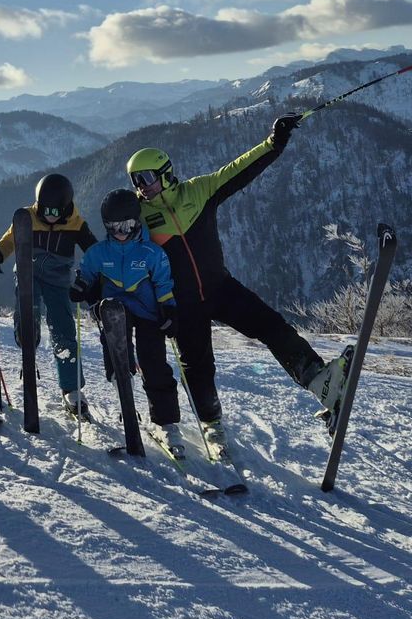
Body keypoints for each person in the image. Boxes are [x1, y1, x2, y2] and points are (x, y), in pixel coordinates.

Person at [126, 113, 348, 457]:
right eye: (135, 180)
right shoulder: (138, 217)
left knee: (271, 325)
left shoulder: (199, 190)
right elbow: (121, 252)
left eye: (146, 177)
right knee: (198, 367)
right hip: (183, 304)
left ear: (165, 172)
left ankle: (318, 380)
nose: (141, 186)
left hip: (221, 288)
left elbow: (239, 170)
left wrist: (275, 142)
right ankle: (213, 428)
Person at [71, 189, 181, 451]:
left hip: (148, 313)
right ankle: (124, 389)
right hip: (115, 311)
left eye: (127, 225)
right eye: (113, 226)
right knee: (114, 338)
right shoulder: (99, 253)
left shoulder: (151, 253)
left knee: (153, 362)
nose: (121, 231)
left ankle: (165, 423)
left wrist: (169, 310)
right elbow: (86, 273)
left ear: (136, 221)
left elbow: (164, 284)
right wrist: (81, 286)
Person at [0, 173, 99, 418]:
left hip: (58, 280)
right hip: (29, 274)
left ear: (66, 206)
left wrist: (87, 276)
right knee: (28, 310)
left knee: (63, 328)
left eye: (55, 211)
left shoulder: (76, 224)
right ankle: (27, 338)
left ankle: (71, 389)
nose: (49, 215)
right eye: (44, 209)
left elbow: (94, 252)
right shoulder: (26, 217)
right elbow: (9, 241)